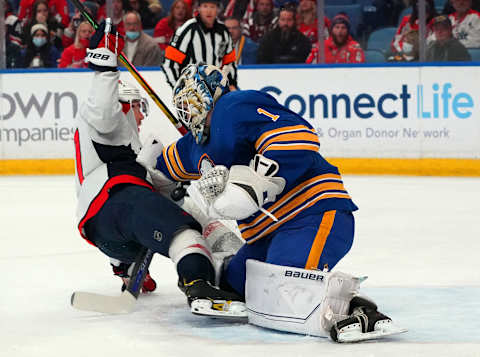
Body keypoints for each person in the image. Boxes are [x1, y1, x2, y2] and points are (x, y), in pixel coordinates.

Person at [139, 63, 404, 342]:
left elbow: (298, 135)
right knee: (233, 285)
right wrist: (135, 177)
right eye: (184, 106)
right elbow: (160, 168)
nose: (189, 111)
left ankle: (360, 313)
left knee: (284, 290)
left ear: (210, 92)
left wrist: (258, 180)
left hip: (311, 214)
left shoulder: (233, 105)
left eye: (193, 101)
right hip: (267, 234)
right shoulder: (194, 147)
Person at [75, 20, 243, 304]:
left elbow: (158, 198)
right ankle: (198, 285)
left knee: (181, 215)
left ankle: (222, 263)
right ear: (123, 105)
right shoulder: (105, 122)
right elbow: (103, 111)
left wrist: (126, 267)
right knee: (184, 230)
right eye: (137, 108)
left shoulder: (125, 151)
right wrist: (106, 67)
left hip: (110, 231)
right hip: (116, 204)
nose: (141, 116)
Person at [162, 0, 238, 89]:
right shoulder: (187, 29)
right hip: (192, 91)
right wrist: (179, 88)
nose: (208, 11)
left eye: (212, 7)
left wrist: (232, 84)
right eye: (205, 6)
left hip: (218, 89)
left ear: (218, 9)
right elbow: (170, 63)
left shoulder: (223, 31)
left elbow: (229, 62)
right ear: (199, 8)